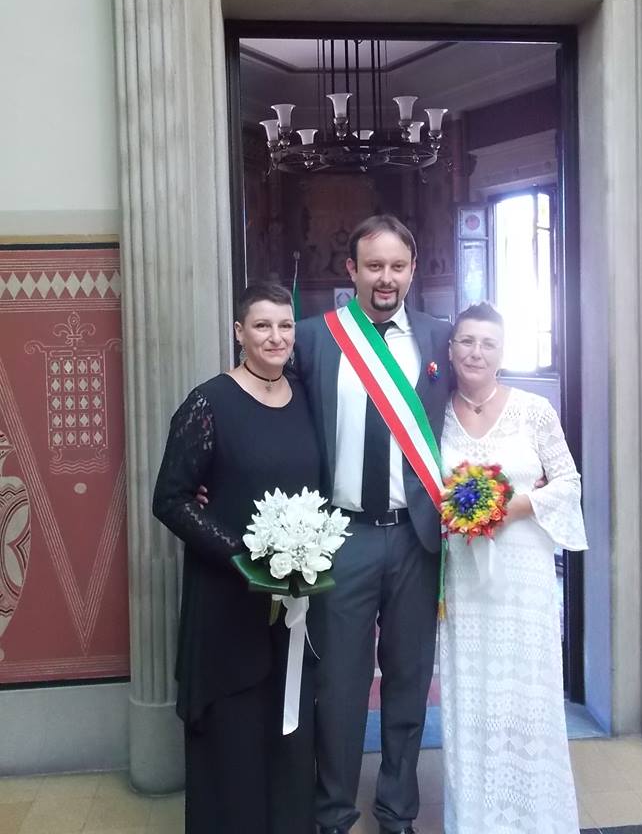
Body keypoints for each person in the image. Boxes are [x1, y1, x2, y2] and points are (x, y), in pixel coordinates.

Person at [292, 214, 452, 834]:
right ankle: (333, 812)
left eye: (397, 266)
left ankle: (397, 811)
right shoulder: (313, 338)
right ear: (352, 271)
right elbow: (275, 420)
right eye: (374, 266)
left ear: (412, 271)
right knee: (339, 685)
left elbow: (470, 418)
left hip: (417, 537)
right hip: (344, 536)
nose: (386, 278)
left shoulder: (440, 338)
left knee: (410, 681)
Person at [152, 283, 319, 834]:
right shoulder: (208, 402)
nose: (276, 337)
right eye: (262, 326)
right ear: (239, 332)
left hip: (296, 598)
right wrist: (247, 558)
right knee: (235, 730)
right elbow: (170, 499)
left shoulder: (307, 398)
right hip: (227, 597)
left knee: (288, 724)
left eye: (285, 326)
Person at [439, 302, 588, 834]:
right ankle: (475, 818)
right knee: (471, 691)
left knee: (526, 692)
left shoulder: (533, 410)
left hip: (523, 575)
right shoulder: (435, 414)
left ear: (502, 352)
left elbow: (568, 481)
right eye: (466, 341)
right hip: (464, 578)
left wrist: (511, 506)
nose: (476, 352)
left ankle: (535, 817)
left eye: (488, 343)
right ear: (451, 349)